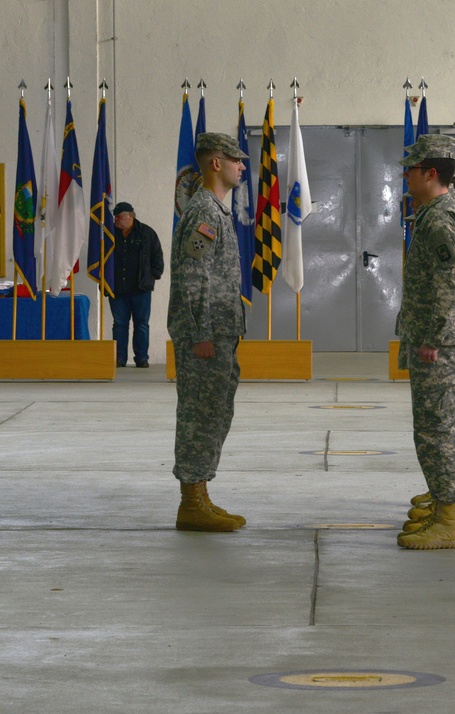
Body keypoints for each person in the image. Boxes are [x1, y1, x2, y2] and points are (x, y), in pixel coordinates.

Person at [395, 134, 455, 550]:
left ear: (430, 175)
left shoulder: (440, 218)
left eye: (410, 170)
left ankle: (448, 518)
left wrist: (432, 336)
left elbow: (449, 284)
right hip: (452, 337)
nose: (405, 176)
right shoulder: (450, 208)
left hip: (442, 340)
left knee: (436, 428)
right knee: (452, 423)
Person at [167, 132, 248, 532]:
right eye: (236, 160)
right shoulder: (204, 212)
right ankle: (191, 501)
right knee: (199, 414)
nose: (242, 166)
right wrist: (201, 333)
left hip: (219, 332)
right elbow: (193, 276)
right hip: (206, 335)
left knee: (213, 412)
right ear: (216, 163)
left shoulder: (216, 210)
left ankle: (200, 494)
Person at [109, 202, 164, 367]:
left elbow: (157, 256)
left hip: (141, 289)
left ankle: (141, 358)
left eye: (119, 217)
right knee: (119, 324)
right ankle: (119, 358)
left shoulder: (147, 233)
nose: (116, 220)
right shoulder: (109, 234)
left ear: (130, 216)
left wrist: (153, 275)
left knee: (141, 324)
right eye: (115, 217)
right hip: (117, 289)